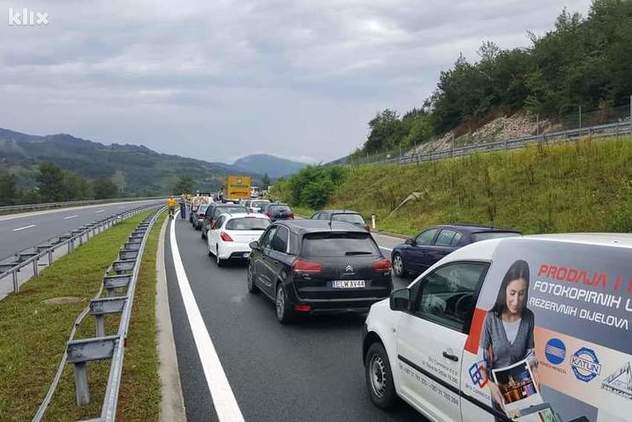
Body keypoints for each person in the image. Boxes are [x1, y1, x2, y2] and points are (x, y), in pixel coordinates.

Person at [479, 260, 535, 417]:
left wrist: (533, 369)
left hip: (522, 389)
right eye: (512, 293)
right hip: (498, 391)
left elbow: (530, 353)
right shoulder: (491, 318)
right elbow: (481, 360)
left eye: (521, 293)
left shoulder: (529, 317)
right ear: (505, 290)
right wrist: (489, 384)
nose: (516, 301)